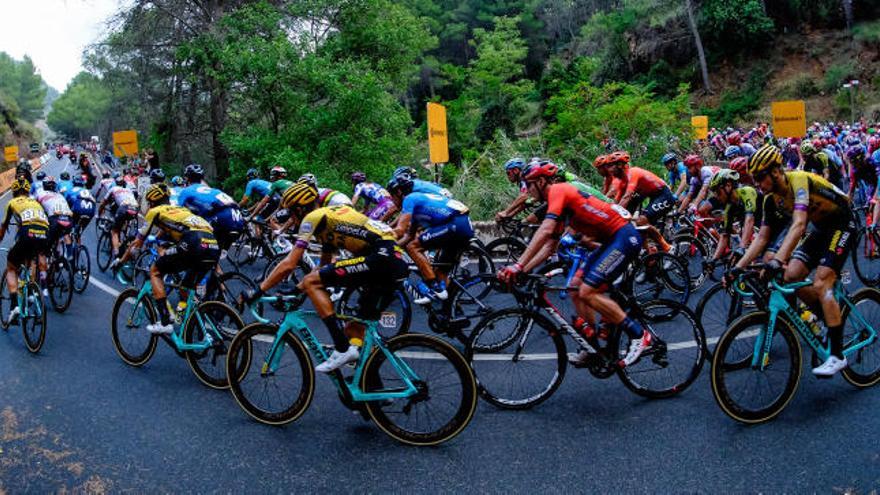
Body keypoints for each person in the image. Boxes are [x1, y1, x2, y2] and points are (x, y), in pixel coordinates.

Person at [496, 161, 651, 367]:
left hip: (624, 237)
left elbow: (545, 230)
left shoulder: (559, 190)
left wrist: (517, 266)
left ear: (542, 181)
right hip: (610, 241)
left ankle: (639, 335)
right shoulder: (558, 204)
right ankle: (593, 346)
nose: (529, 190)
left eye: (530, 184)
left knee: (587, 291)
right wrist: (524, 269)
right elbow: (550, 246)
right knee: (574, 288)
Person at [241, 183, 408, 373]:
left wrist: (259, 290)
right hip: (394, 262)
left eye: (291, 213)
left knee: (313, 282)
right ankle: (371, 389)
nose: (291, 219)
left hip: (381, 258)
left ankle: (342, 348)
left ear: (300, 209)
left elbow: (290, 263)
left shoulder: (313, 217)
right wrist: (297, 290)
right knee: (355, 329)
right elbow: (323, 267)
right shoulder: (329, 221)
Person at [736, 145, 855, 376]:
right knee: (790, 276)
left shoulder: (798, 180)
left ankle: (837, 355)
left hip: (843, 223)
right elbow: (762, 238)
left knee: (822, 282)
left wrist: (776, 260)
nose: (757, 184)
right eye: (754, 179)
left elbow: (799, 224)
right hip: (820, 227)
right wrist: (738, 268)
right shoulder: (770, 199)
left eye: (760, 177)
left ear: (776, 172)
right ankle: (826, 311)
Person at [112, 184, 220, 334]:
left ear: (151, 201)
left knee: (155, 271)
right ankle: (186, 324)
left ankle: (164, 321)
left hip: (194, 242)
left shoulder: (155, 211)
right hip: (213, 245)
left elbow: (137, 244)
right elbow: (171, 232)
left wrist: (121, 261)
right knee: (185, 287)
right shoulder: (182, 210)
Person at [387, 174, 474, 304]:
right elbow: (408, 236)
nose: (392, 202)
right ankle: (452, 309)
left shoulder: (410, 199)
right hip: (461, 224)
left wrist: (379, 238)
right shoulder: (417, 205)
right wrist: (393, 248)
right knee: (440, 273)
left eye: (392, 197)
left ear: (399, 192)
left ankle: (434, 289)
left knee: (413, 247)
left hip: (455, 224)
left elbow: (399, 230)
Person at [0, 179, 49, 324]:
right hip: (45, 233)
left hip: (28, 233)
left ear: (14, 192)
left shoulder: (12, 203)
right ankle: (31, 292)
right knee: (30, 260)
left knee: (11, 266)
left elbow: (3, 229)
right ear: (28, 191)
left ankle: (14, 305)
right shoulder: (36, 202)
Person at [607, 152, 674, 251]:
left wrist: (614, 215)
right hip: (652, 197)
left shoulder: (633, 173)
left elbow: (627, 197)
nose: (609, 169)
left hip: (664, 195)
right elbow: (617, 202)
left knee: (641, 221)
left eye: (611, 166)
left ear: (620, 165)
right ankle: (649, 252)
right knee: (633, 223)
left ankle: (667, 247)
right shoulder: (622, 181)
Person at [177, 164, 244, 251]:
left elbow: (178, 212)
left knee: (193, 245)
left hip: (221, 218)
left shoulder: (186, 191)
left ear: (187, 178)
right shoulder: (214, 190)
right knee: (213, 256)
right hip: (238, 219)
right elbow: (234, 203)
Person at [707, 169, 759, 263]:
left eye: (718, 192)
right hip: (758, 232)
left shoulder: (746, 191)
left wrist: (742, 247)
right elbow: (724, 236)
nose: (717, 197)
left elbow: (749, 220)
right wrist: (713, 260)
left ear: (728, 186)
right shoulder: (729, 208)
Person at [98, 176, 139, 258]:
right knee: (124, 221)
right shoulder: (128, 190)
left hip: (124, 207)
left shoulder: (113, 189)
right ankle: (127, 238)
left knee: (114, 231)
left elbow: (103, 203)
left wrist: (99, 214)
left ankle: (116, 253)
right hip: (135, 208)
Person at [35, 177, 75, 259]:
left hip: (55, 218)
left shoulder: (40, 193)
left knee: (47, 240)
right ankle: (69, 255)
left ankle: (48, 254)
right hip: (68, 218)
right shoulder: (60, 195)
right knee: (65, 233)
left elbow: (35, 208)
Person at [64, 176, 97, 242]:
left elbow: (65, 204)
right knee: (79, 233)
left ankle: (70, 249)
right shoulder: (87, 191)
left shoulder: (70, 190)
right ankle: (78, 245)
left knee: (67, 230)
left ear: (73, 183)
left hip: (78, 209)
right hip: (91, 211)